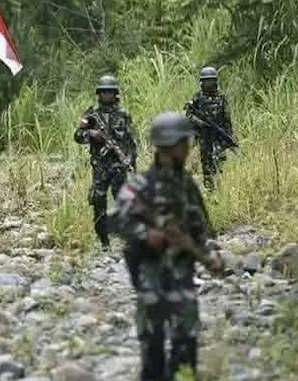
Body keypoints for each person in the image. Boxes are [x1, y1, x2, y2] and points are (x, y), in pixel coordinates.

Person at [111, 112, 224, 381]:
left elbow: (202, 230)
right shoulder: (140, 185)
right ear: (171, 146)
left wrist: (211, 255)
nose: (188, 148)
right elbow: (114, 220)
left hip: (183, 283)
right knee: (153, 357)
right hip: (151, 281)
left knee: (186, 354)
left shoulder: (187, 187)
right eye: (185, 143)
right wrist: (146, 233)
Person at [75, 75, 137, 249]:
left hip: (118, 165)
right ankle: (104, 241)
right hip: (100, 165)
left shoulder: (123, 114)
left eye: (110, 92)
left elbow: (132, 141)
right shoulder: (91, 115)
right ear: (98, 94)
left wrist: (130, 161)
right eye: (103, 92)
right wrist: (91, 134)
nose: (106, 95)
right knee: (98, 201)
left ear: (115, 94)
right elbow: (78, 136)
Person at [185, 66, 236, 189]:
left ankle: (219, 185)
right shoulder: (197, 97)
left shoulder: (221, 97)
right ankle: (209, 189)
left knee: (219, 160)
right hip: (204, 134)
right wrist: (198, 122)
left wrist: (229, 135)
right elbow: (188, 114)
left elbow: (226, 117)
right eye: (206, 81)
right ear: (202, 82)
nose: (209, 84)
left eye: (211, 81)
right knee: (206, 160)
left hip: (218, 133)